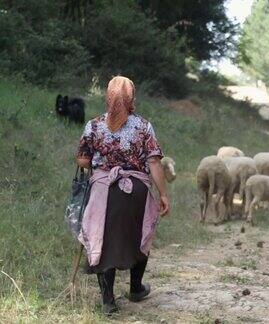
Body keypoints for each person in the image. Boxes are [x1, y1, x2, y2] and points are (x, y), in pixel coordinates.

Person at [76, 76, 170, 314]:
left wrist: (100, 162)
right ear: (131, 98)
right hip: (135, 191)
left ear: (108, 97)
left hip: (102, 190)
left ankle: (108, 300)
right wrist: (163, 195)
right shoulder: (143, 126)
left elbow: (83, 160)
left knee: (103, 239)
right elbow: (155, 163)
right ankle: (136, 288)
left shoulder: (93, 125)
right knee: (140, 235)